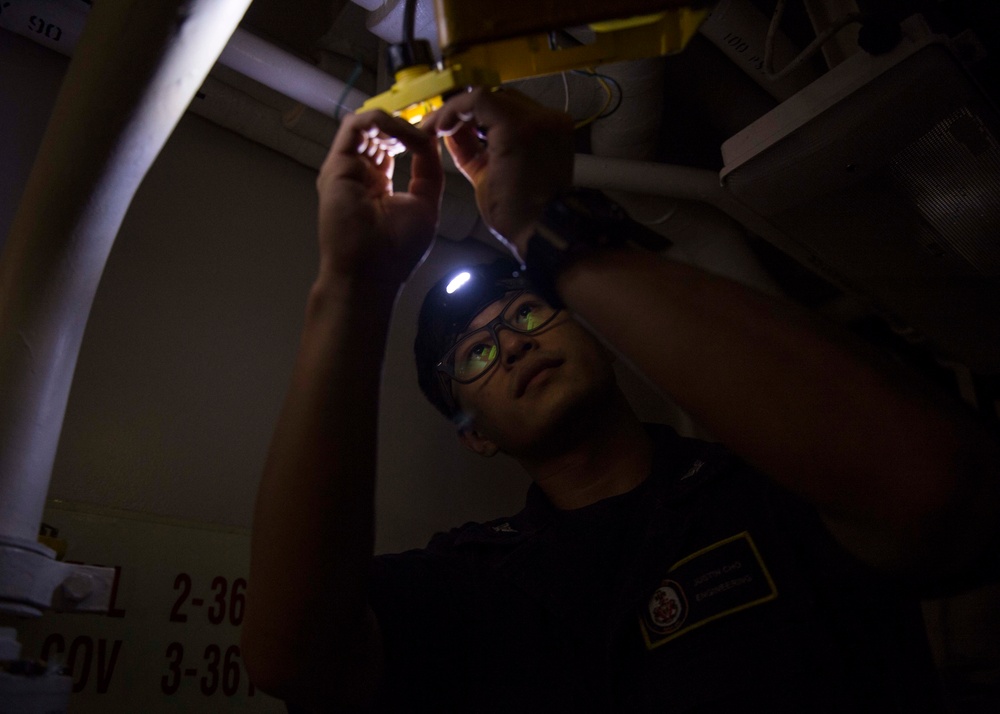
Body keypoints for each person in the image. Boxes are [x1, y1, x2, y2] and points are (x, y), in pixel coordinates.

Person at [240, 88, 1000, 712]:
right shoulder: (471, 582)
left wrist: (543, 224)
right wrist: (353, 286)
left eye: (529, 313)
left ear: (594, 333)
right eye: (474, 354)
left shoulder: (776, 482)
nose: (512, 344)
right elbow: (294, 661)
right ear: (472, 434)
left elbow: (933, 484)